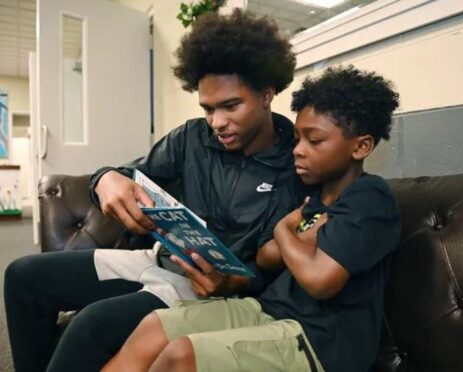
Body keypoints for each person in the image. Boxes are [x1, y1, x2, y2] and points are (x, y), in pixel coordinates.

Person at [4, 10, 297, 372]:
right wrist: (107, 178)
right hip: (159, 259)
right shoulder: (191, 137)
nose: (217, 122)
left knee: (92, 324)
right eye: (208, 109)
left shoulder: (298, 162)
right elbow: (131, 173)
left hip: (212, 290)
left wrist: (235, 280)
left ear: (267, 94)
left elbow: (282, 266)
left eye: (230, 106)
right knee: (23, 276)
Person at [101, 65, 402, 372]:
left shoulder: (369, 196)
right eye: (297, 139)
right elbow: (265, 256)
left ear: (361, 146)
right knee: (154, 328)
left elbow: (319, 281)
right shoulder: (313, 198)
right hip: (268, 310)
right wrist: (293, 237)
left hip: (320, 340)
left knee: (182, 354)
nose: (297, 151)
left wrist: (286, 231)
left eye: (314, 141)